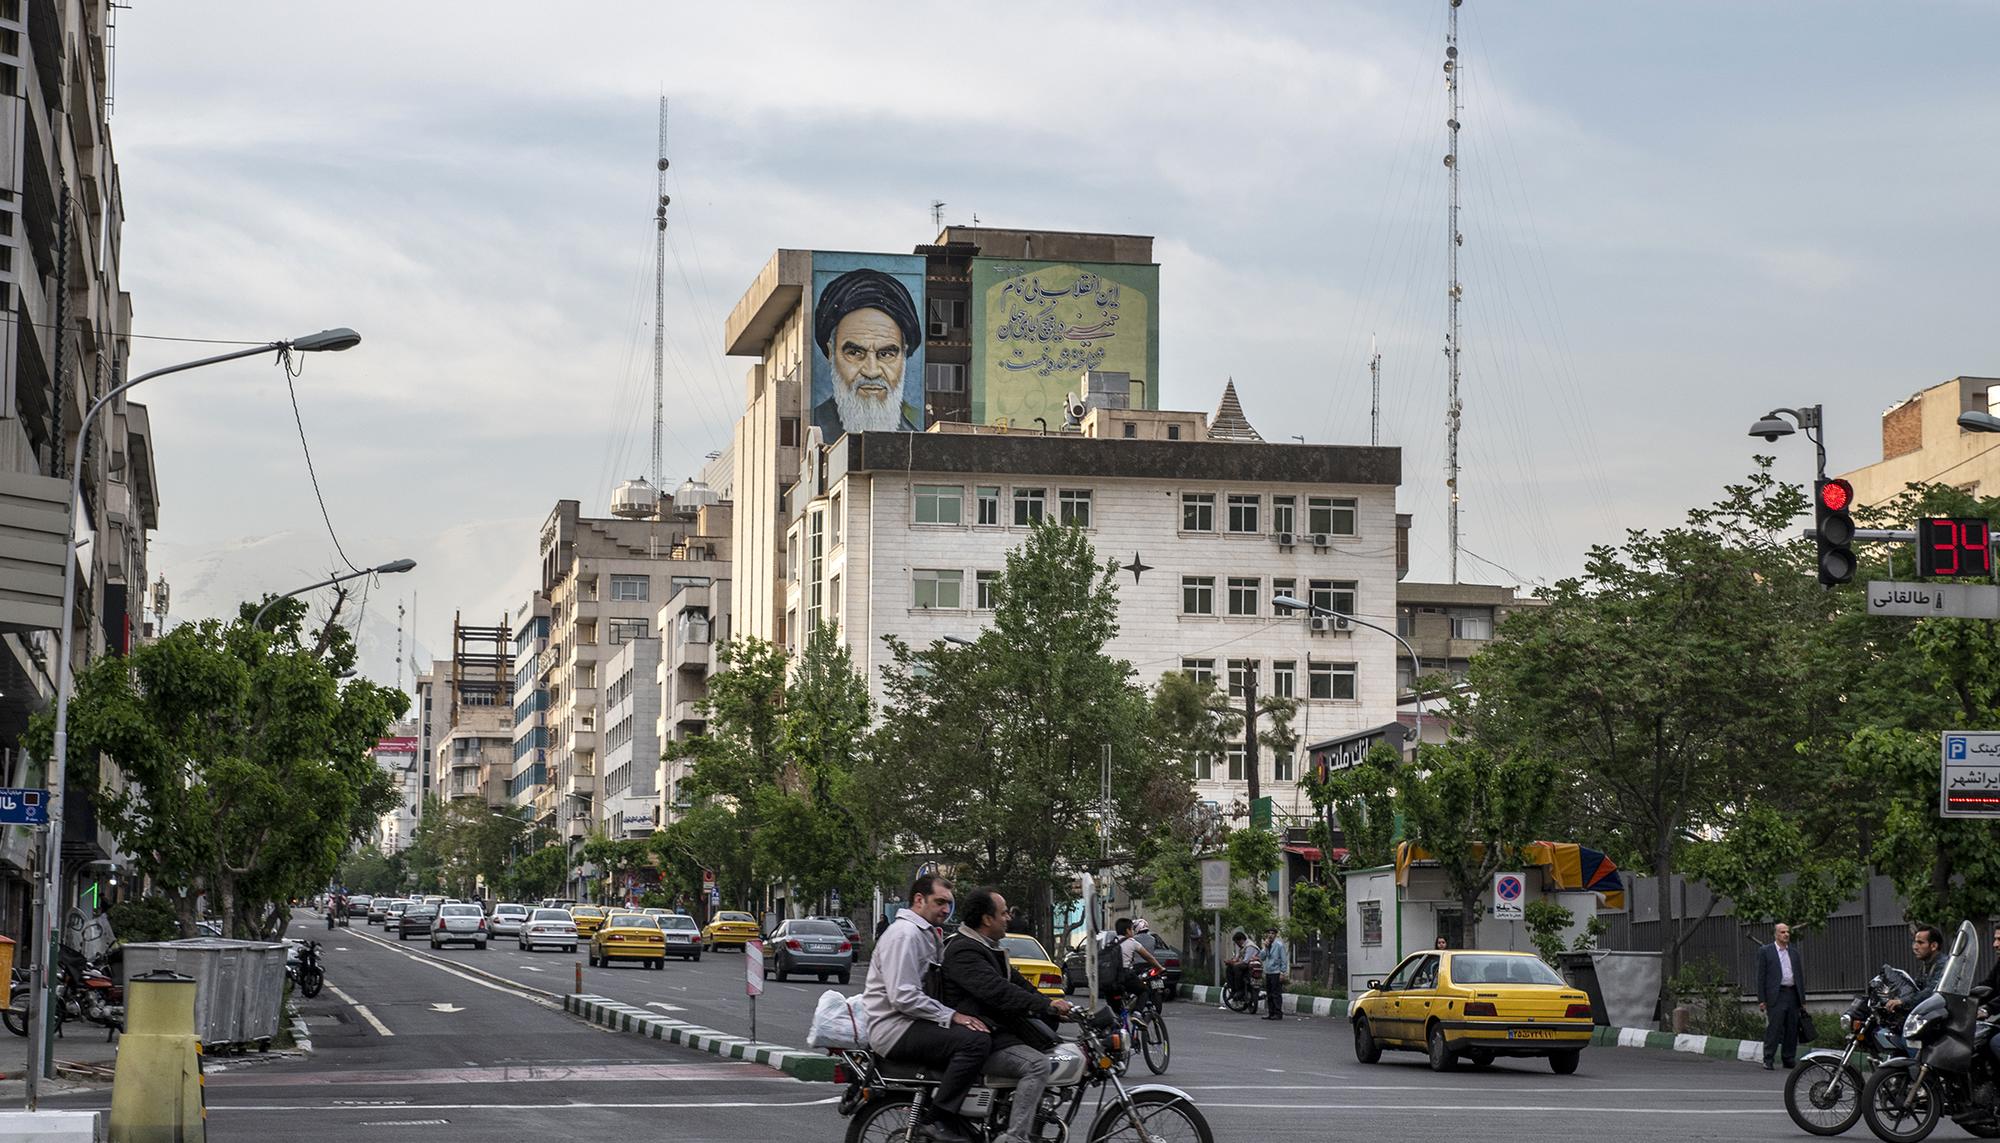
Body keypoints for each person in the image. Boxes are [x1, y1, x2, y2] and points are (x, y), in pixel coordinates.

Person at [940, 888, 1076, 1143]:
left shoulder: (987, 947)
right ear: (986, 919)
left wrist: (1051, 1004)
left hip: (995, 1032)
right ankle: (1015, 1138)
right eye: (1003, 913)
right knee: (1037, 1065)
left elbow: (1018, 983)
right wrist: (1045, 1006)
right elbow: (999, 991)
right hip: (981, 1036)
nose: (1008, 918)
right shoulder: (964, 950)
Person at [861, 875, 990, 1143]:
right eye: (940, 902)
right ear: (919, 900)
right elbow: (903, 996)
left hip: (909, 1022)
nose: (946, 909)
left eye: (949, 904)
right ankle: (939, 1120)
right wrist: (952, 1016)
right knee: (975, 1042)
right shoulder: (905, 935)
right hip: (895, 1028)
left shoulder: (926, 933)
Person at [811, 267, 923, 436]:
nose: (871, 372)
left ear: (904, 355)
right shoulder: (814, 431)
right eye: (855, 353)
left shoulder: (918, 440)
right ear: (831, 353)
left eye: (885, 354)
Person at [1755, 922, 1806, 1070]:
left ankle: (1788, 1058)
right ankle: (1768, 1058)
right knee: (1775, 1027)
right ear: (1776, 934)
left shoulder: (1794, 953)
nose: (1786, 934)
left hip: (1792, 993)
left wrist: (1802, 999)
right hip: (1776, 994)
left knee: (1792, 1028)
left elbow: (1799, 976)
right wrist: (1762, 999)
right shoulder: (1766, 951)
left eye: (1787, 932)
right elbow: (1761, 976)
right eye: (1783, 932)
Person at [1888, 924, 1947, 1016]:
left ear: (1934, 946)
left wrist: (1902, 1001)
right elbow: (1916, 987)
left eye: (1920, 943)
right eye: (1915, 942)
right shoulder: (1926, 964)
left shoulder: (1943, 964)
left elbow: (1932, 991)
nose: (1915, 947)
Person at [1222, 930, 1261, 1010]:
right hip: (1247, 966)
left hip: (1251, 967)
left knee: (1236, 967)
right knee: (1230, 967)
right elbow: (1237, 957)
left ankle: (1238, 989)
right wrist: (1231, 961)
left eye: (1237, 943)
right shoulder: (1243, 946)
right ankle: (1233, 988)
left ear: (1241, 940)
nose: (1237, 945)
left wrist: (1234, 963)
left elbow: (1245, 961)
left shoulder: (1250, 946)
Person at [1261, 927, 1291, 1020]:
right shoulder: (1267, 945)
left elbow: (1284, 960)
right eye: (1269, 933)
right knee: (1269, 993)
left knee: (1276, 993)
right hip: (1268, 971)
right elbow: (1262, 957)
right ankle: (1271, 1012)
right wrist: (1265, 947)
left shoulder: (1279, 945)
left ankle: (1278, 1013)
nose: (1270, 935)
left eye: (1272, 933)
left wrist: (1282, 972)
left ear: (1275, 935)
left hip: (1276, 972)